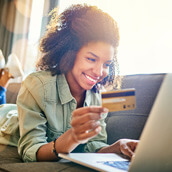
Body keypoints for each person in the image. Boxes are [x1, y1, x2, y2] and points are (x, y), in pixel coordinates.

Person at [0, 4, 138, 162]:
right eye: (91, 59)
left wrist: (118, 146)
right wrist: (72, 137)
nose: (99, 72)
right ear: (69, 54)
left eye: (106, 64)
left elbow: (92, 145)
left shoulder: (97, 96)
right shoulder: (37, 85)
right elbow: (31, 152)